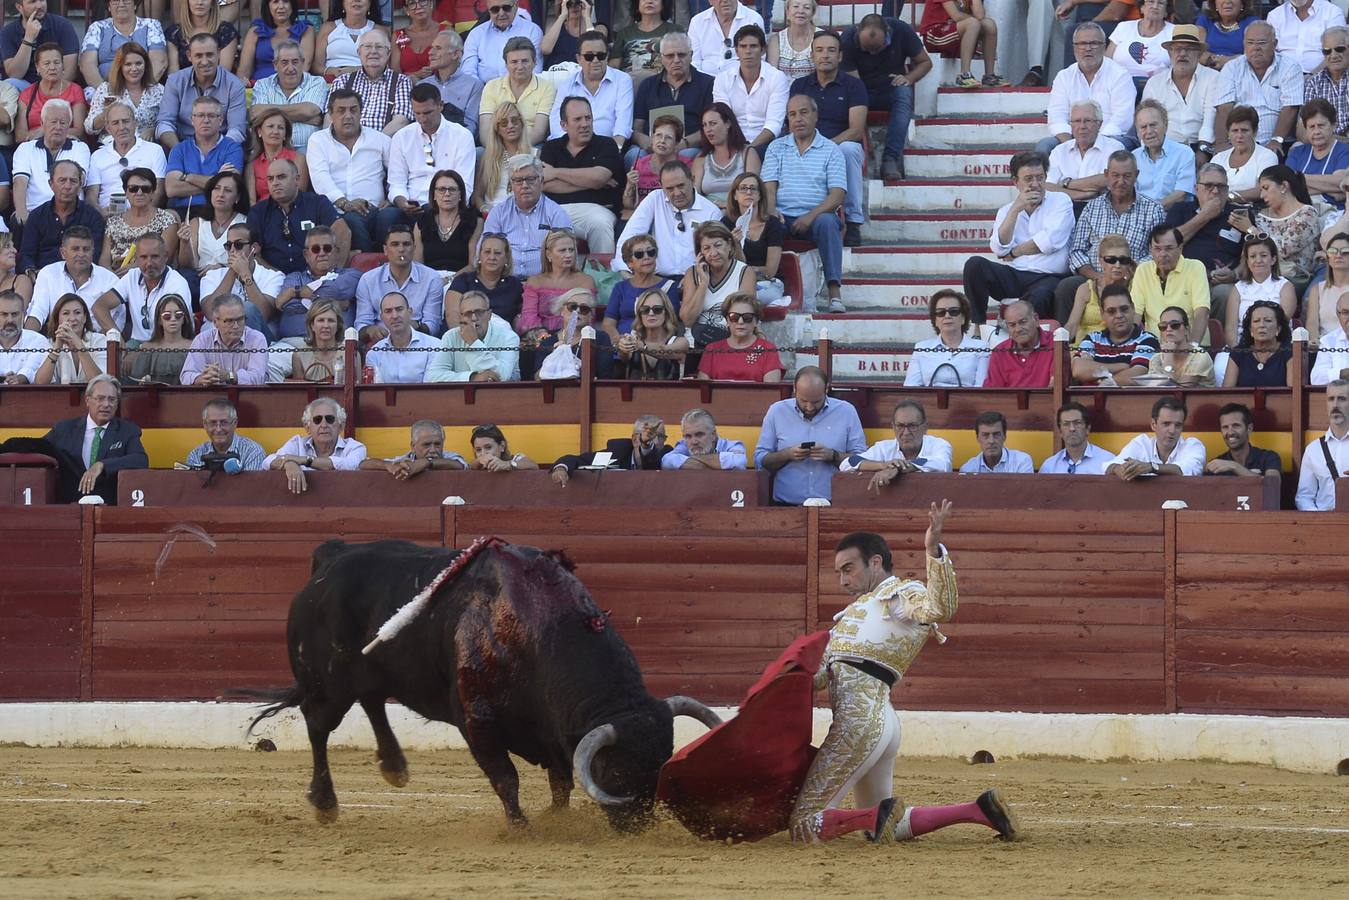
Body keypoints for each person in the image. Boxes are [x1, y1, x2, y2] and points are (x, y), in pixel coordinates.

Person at [788, 517, 1018, 846]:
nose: (842, 580)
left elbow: (942, 607)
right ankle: (978, 811)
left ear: (876, 562)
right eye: (839, 572)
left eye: (848, 569)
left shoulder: (901, 594)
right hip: (880, 723)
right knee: (881, 826)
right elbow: (823, 676)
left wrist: (932, 550)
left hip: (859, 724)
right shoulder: (858, 611)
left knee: (805, 822)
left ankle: (874, 814)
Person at [1056, 150, 1166, 324]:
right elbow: (1077, 250)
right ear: (1106, 174)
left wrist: (1132, 271)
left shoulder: (1153, 210)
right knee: (1067, 287)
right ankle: (1064, 344)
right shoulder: (1092, 208)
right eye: (1115, 175)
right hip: (1095, 277)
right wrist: (1095, 275)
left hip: (1134, 278)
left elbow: (1157, 251)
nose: (1120, 182)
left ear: (1136, 175)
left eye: (1127, 176)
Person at [762, 94, 848, 314]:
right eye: (792, 114)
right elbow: (769, 188)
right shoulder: (776, 148)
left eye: (803, 112)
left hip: (816, 217)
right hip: (782, 215)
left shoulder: (831, 150)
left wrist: (810, 216)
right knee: (767, 223)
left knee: (828, 222)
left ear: (815, 116)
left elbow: (837, 195)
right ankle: (770, 284)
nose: (798, 118)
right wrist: (772, 210)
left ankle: (834, 292)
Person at [964, 150, 1073, 322]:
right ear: (1015, 182)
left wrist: (1014, 253)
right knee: (974, 265)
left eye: (1040, 177)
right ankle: (978, 325)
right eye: (1028, 179)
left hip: (1047, 276)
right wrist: (1016, 209)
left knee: (1040, 295)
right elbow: (999, 248)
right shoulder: (1007, 210)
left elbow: (1050, 242)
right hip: (1014, 274)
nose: (1035, 184)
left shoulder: (1061, 200)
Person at [790, 31, 870, 246]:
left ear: (840, 56)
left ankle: (853, 221)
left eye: (831, 50)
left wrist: (824, 147)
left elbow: (856, 130)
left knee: (850, 149)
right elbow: (792, 123)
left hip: (839, 145)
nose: (825, 55)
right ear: (812, 56)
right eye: (820, 50)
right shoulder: (800, 86)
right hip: (804, 144)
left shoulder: (854, 86)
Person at [754, 366, 866, 505]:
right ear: (794, 388)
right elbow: (759, 461)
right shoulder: (777, 411)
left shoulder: (846, 411)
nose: (809, 407)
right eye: (803, 400)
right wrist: (787, 455)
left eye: (816, 401)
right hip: (786, 506)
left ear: (826, 389)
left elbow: (862, 460)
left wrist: (833, 456)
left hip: (834, 504)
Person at [305, 89, 395, 253]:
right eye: (341, 110)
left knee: (391, 216)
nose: (348, 115)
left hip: (376, 208)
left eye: (353, 110)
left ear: (361, 112)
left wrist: (392, 197)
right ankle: (366, 267)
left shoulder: (380, 140)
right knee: (352, 220)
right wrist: (344, 203)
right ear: (330, 113)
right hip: (336, 210)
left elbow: (397, 173)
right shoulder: (318, 141)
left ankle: (387, 265)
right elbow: (320, 178)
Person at [42, 374, 148, 503]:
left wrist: (102, 465)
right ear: (87, 400)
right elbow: (39, 448)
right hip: (69, 508)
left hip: (110, 507)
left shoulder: (127, 431)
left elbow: (140, 460)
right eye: (100, 398)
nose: (106, 404)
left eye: (112, 399)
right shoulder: (64, 429)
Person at [539, 96, 624, 256]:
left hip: (598, 209)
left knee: (599, 223)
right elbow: (544, 184)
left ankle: (603, 277)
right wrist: (591, 181)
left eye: (588, 118)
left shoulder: (606, 144)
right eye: (577, 119)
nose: (584, 124)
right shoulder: (551, 147)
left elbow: (599, 177)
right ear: (564, 125)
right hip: (556, 210)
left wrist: (556, 173)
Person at [1039, 23, 1136, 159]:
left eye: (1094, 43)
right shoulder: (1064, 77)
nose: (1088, 48)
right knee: (1044, 146)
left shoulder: (1120, 75)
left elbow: (1122, 120)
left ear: (1103, 47)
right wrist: (1073, 145)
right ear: (1074, 48)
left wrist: (1095, 145)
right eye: (1082, 44)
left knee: (1118, 147)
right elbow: (1056, 118)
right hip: (1073, 139)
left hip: (1111, 138)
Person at [388, 85, 478, 231]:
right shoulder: (402, 137)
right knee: (387, 217)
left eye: (428, 112)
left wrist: (441, 203)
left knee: (430, 215)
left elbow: (464, 185)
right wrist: (402, 202)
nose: (422, 119)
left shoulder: (462, 136)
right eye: (417, 113)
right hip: (411, 205)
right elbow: (396, 182)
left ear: (441, 106)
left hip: (446, 203)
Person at [616, 160, 720, 280]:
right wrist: (625, 270)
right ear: (661, 185)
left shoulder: (711, 211)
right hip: (656, 279)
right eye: (670, 189)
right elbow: (630, 235)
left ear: (692, 180)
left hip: (696, 279)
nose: (677, 193)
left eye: (681, 186)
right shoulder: (655, 199)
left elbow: (715, 254)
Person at [1212, 22, 1303, 155]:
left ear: (1275, 44)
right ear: (1244, 44)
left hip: (1276, 144)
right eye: (1250, 42)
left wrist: (1276, 140)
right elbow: (1223, 108)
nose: (1256, 48)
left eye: (1262, 43)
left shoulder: (1290, 67)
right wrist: (1221, 143)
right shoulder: (1232, 68)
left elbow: (1290, 108)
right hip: (1238, 143)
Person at [246, 158, 349, 275]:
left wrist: (332, 273)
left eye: (281, 177)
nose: (275, 182)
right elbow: (251, 253)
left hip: (316, 278)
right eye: (270, 179)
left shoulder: (317, 203)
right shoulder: (258, 212)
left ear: (297, 180)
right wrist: (276, 277)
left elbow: (342, 230)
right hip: (273, 281)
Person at [1165, 162, 1241, 318]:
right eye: (1208, 186)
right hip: (1185, 279)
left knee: (1225, 293)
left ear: (1227, 190)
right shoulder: (1180, 210)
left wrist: (1235, 274)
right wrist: (1204, 215)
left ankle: (1218, 340)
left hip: (1223, 282)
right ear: (1196, 188)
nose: (1215, 191)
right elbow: (1169, 244)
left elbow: (1251, 253)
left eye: (1221, 187)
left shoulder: (1239, 214)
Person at [1231, 164, 1319, 293]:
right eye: (1261, 190)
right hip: (1260, 273)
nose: (1261, 195)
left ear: (1283, 186)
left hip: (1292, 278)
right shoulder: (1260, 216)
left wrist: (1251, 230)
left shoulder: (1307, 213)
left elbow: (1282, 249)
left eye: (1266, 188)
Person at [483, 156, 573, 279]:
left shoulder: (556, 213)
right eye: (518, 180)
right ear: (511, 186)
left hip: (544, 283)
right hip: (504, 282)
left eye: (531, 179)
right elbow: (484, 251)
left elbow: (566, 257)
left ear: (541, 183)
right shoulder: (498, 213)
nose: (524, 185)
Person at [93, 233, 192, 343]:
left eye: (155, 256)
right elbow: (99, 306)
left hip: (170, 345)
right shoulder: (132, 276)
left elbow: (176, 331)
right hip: (137, 343)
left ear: (165, 257)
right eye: (143, 257)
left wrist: (146, 351)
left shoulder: (177, 283)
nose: (149, 263)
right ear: (136, 259)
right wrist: (117, 337)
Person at [839, 399, 954, 493]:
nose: (906, 432)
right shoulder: (884, 448)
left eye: (912, 426)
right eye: (900, 426)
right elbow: (848, 463)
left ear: (925, 427)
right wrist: (883, 465)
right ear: (893, 427)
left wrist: (898, 468)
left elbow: (941, 464)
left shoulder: (940, 445)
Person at [11, 102, 93, 233]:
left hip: (70, 213)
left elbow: (79, 180)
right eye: (53, 122)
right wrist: (21, 211)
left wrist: (62, 213)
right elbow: (20, 182)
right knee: (17, 222)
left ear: (69, 126)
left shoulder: (80, 147)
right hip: (34, 212)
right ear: (42, 124)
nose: (58, 127)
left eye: (63, 123)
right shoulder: (25, 148)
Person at [270, 226, 363, 339]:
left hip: (336, 343)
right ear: (306, 255)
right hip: (294, 343)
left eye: (327, 248)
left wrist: (296, 292)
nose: (322, 253)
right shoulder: (293, 279)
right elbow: (288, 309)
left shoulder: (352, 275)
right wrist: (334, 305)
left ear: (337, 252)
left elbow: (336, 289)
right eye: (315, 249)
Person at [633, 33, 715, 161]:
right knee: (633, 156)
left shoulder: (708, 84)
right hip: (653, 146)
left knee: (685, 156)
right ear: (661, 58)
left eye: (681, 55)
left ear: (691, 55)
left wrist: (685, 143)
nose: (676, 60)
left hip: (689, 147)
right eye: (670, 56)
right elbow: (637, 126)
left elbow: (712, 126)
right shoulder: (647, 85)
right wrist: (642, 139)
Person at [355, 224, 443, 341]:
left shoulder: (431, 278)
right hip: (380, 343)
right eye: (395, 244)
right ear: (385, 250)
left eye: (406, 244)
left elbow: (432, 326)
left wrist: (413, 326)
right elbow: (361, 325)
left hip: (419, 341)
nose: (401, 249)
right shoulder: (368, 280)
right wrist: (371, 330)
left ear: (414, 248)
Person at [157, 34, 247, 149]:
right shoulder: (175, 81)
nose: (205, 62)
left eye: (209, 55)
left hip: (222, 146)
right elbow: (164, 123)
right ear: (189, 56)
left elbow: (237, 130)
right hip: (183, 143)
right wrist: (179, 151)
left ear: (219, 54)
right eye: (198, 56)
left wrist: (217, 153)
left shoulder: (234, 85)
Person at [547, 30, 632, 150]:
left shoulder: (622, 80)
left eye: (601, 56)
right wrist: (569, 149)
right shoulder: (567, 84)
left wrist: (615, 149)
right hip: (571, 148)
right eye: (589, 56)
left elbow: (623, 123)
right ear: (578, 59)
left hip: (608, 148)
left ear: (607, 56)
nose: (595, 60)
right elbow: (557, 121)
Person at [17, 159, 105, 275]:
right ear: (51, 184)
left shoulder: (93, 217)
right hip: (41, 277)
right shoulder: (37, 216)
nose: (68, 186)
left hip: (79, 276)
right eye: (62, 180)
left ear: (80, 185)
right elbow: (26, 254)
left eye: (73, 181)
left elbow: (94, 255)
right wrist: (31, 273)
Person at [712, 24, 788, 155]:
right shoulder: (722, 79)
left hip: (768, 144)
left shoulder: (777, 78)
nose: (748, 51)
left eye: (753, 46)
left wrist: (750, 148)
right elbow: (723, 119)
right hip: (731, 143)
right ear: (736, 50)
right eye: (743, 46)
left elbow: (774, 124)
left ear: (763, 50)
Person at [1142, 25, 1220, 153]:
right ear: (1169, 52)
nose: (1182, 54)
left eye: (1189, 49)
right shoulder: (1154, 83)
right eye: (1178, 49)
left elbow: (1210, 117)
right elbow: (1146, 122)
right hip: (1163, 147)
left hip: (1200, 146)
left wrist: (1203, 149)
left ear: (1199, 53)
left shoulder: (1213, 77)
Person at [163, 95, 246, 215]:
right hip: (183, 210)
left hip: (219, 211)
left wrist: (188, 177)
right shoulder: (179, 149)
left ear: (221, 120)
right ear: (192, 119)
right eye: (201, 115)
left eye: (211, 116)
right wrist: (216, 180)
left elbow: (229, 186)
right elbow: (172, 189)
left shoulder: (232, 148)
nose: (206, 120)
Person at [679, 221, 755, 350]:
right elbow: (688, 320)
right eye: (706, 248)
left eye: (718, 245)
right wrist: (703, 284)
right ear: (700, 253)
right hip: (695, 343)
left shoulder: (744, 272)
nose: (713, 253)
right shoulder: (692, 273)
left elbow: (747, 317)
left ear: (730, 246)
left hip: (731, 344)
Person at [266, 398, 369, 493]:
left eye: (329, 419)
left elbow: (351, 465)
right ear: (308, 428)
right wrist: (289, 464)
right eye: (317, 420)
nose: (324, 425)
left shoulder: (355, 447)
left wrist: (304, 460)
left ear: (341, 426)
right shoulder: (297, 443)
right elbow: (267, 461)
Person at [1131, 224, 1210, 338]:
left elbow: (1201, 311)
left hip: (1190, 343)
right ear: (1150, 249)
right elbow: (1135, 313)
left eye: (1169, 248)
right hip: (1153, 347)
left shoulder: (1195, 267)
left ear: (1180, 248)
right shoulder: (1143, 270)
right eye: (1157, 249)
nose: (1162, 254)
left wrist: (1193, 347)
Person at [1071, 283, 1160, 385]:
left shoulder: (1148, 339)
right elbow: (1079, 370)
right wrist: (1123, 366)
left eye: (1124, 309)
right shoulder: (1092, 338)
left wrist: (1100, 378)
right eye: (1111, 311)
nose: (1119, 315)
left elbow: (1135, 376)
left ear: (1133, 308)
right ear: (1102, 314)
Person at [248, 46, 330, 156]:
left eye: (295, 62)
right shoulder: (263, 85)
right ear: (275, 65)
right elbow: (257, 114)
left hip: (308, 148)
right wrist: (305, 118)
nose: (290, 68)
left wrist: (270, 113)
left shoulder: (317, 82)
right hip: (271, 148)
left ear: (303, 63)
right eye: (284, 62)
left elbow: (309, 111)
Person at [426, 289, 521, 382]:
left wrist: (473, 342)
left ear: (489, 315)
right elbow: (433, 376)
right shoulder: (451, 336)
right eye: (468, 314)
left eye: (479, 312)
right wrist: (472, 378)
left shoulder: (509, 337)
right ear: (460, 317)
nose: (474, 318)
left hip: (502, 395)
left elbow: (502, 377)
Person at [331, 30, 413, 137]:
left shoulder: (401, 81)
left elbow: (401, 121)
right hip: (345, 145)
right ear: (359, 53)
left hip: (383, 146)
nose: (373, 51)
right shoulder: (343, 81)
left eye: (379, 47)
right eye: (368, 47)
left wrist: (373, 143)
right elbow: (331, 118)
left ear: (388, 53)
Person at [177, 170, 247, 293]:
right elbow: (187, 265)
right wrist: (184, 243)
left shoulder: (244, 222)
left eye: (228, 190)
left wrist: (221, 267)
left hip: (231, 278)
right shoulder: (197, 222)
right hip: (200, 279)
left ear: (238, 197)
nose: (220, 194)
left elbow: (249, 260)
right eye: (217, 189)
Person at [1046, 99, 1126, 206]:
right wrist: (1081, 195)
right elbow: (1048, 187)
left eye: (1088, 121)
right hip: (1065, 208)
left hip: (1102, 209)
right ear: (1071, 125)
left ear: (1099, 124)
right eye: (1077, 121)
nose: (1082, 126)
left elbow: (1110, 179)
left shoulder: (1115, 148)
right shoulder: (1059, 151)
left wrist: (1067, 183)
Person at [477, 37, 554, 146]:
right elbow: (485, 132)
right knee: (478, 154)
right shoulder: (491, 86)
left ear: (534, 62)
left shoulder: (546, 87)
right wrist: (502, 151)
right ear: (506, 64)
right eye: (514, 62)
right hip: (496, 148)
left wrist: (515, 151)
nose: (520, 67)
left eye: (525, 61)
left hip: (531, 146)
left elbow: (539, 132)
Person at [904, 289, 990, 387]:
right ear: (935, 320)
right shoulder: (921, 348)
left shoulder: (981, 347)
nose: (947, 316)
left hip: (968, 401)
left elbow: (981, 389)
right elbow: (911, 388)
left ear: (963, 318)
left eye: (954, 311)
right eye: (941, 312)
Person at [89, 103, 168, 210]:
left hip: (144, 215)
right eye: (115, 123)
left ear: (135, 123)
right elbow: (91, 196)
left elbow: (159, 190)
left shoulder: (154, 150)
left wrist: (138, 216)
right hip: (107, 217)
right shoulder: (97, 156)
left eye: (126, 121)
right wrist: (100, 215)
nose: (121, 127)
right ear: (108, 128)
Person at [550, 414, 670, 484]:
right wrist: (561, 468)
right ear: (634, 439)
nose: (656, 441)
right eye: (650, 436)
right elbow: (576, 459)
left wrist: (646, 445)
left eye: (660, 436)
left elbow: (649, 460)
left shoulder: (667, 454)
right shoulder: (617, 453)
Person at [100, 170, 179, 276]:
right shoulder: (113, 222)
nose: (139, 193)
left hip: (151, 276)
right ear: (126, 192)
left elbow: (164, 257)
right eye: (133, 189)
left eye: (145, 189)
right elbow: (104, 259)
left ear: (153, 192)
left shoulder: (167, 220)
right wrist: (111, 277)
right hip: (114, 278)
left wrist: (133, 269)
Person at [1106, 396, 1206, 479]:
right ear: (1153, 424)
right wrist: (1119, 469)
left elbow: (1189, 470)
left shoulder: (1193, 445)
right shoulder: (1141, 443)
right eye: (1166, 424)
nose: (1172, 430)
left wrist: (1151, 467)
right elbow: (1107, 466)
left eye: (1178, 425)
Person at [721, 172, 785, 300]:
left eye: (753, 188)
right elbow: (726, 268)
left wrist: (744, 272)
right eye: (743, 188)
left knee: (759, 297)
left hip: (765, 285)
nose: (748, 192)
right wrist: (737, 246)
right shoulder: (726, 224)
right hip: (735, 283)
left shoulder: (773, 224)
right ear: (735, 195)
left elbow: (770, 271)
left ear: (760, 195)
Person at [179, 294, 269, 385]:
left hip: (247, 397)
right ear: (215, 322)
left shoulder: (257, 339)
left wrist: (229, 376)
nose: (236, 326)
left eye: (240, 319)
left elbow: (258, 377)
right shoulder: (202, 340)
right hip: (211, 396)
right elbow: (186, 376)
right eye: (229, 321)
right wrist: (203, 378)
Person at [85, 44, 164, 146]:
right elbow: (89, 128)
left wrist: (154, 130)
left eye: (138, 63)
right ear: (120, 67)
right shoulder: (106, 89)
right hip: (110, 147)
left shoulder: (158, 90)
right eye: (128, 64)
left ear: (146, 65)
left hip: (147, 148)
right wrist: (106, 113)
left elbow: (167, 121)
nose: (134, 68)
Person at [696, 292, 783, 382]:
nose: (740, 321)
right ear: (727, 321)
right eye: (734, 317)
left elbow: (771, 391)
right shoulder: (712, 349)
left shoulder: (768, 349)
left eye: (747, 317)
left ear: (756, 322)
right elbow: (702, 388)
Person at [604, 234, 680, 336]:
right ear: (629, 262)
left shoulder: (669, 286)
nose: (646, 257)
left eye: (651, 252)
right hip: (623, 346)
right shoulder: (620, 288)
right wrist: (619, 342)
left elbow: (671, 324)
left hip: (655, 346)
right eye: (639, 254)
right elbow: (608, 324)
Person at [1227, 235, 1297, 344]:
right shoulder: (1238, 288)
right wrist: (1237, 352)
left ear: (1273, 259)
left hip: (1277, 346)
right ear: (1247, 261)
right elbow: (1231, 327)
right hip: (1242, 346)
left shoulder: (1285, 286)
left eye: (1263, 255)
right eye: (1253, 256)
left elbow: (1282, 323)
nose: (1258, 260)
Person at [919, 0, 1005, 89]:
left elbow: (980, 15)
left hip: (954, 33)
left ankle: (989, 75)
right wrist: (974, 22)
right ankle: (964, 74)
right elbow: (956, 16)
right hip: (935, 35)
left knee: (989, 24)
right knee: (973, 23)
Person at [691, 102, 760, 210]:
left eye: (713, 123)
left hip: (741, 212)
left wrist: (728, 206)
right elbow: (695, 195)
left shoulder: (747, 153)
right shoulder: (701, 158)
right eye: (705, 125)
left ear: (728, 123)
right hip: (710, 213)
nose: (708, 129)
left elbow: (753, 190)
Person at [360, 290, 439, 383]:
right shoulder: (374, 353)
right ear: (382, 318)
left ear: (410, 312)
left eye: (399, 309)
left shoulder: (434, 346)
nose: (394, 316)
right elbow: (376, 392)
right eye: (388, 311)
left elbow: (430, 389)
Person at [446, 232, 523, 326]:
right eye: (487, 252)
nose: (492, 257)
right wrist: (469, 339)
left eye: (498, 253)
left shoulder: (515, 285)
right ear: (479, 256)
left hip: (501, 338)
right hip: (463, 336)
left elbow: (522, 318)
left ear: (506, 258)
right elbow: (452, 316)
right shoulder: (463, 280)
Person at [16, 43, 87, 143]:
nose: (52, 67)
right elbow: (20, 136)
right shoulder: (27, 94)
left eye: (57, 62)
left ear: (63, 66)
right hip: (34, 145)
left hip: (66, 143)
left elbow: (79, 131)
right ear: (37, 68)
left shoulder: (75, 91)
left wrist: (45, 131)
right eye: (47, 63)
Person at [413, 169, 480, 274]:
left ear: (460, 194)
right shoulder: (422, 222)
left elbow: (473, 265)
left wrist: (449, 280)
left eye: (452, 189)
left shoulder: (474, 221)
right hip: (429, 281)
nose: (447, 194)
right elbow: (418, 265)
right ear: (434, 195)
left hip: (461, 281)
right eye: (441, 189)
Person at [1287, 101, 1349, 214]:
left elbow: (1341, 183)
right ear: (1306, 130)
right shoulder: (1296, 153)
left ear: (1333, 125)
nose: (1316, 132)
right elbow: (1287, 185)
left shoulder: (1345, 150)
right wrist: (1328, 187)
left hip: (1334, 214)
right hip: (1298, 214)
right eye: (1311, 127)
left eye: (1321, 125)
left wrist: (1298, 178)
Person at [418, 29, 482, 139]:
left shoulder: (474, 85)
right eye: (432, 48)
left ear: (456, 54)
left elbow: (471, 126)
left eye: (438, 48)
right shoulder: (422, 86)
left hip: (458, 145)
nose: (430, 52)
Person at [1295, 379, 1349, 509]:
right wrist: (1320, 521)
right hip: (1324, 524)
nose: (1335, 405)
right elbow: (1304, 497)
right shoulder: (1313, 450)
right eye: (1331, 399)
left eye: (1342, 399)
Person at [2, 0, 80, 89]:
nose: (39, 6)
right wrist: (28, 38)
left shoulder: (62, 25)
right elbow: (15, 74)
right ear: (19, 7)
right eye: (32, 2)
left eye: (42, 0)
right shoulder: (7, 32)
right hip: (25, 86)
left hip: (56, 87)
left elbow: (70, 72)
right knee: (9, 84)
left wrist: (46, 92)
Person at [475, 102, 535, 215]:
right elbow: (477, 196)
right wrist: (485, 209)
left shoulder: (535, 155)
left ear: (521, 124)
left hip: (525, 214)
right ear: (497, 129)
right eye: (504, 123)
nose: (510, 126)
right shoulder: (488, 158)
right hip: (493, 215)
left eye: (515, 121)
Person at [119, 293, 195, 384]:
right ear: (159, 320)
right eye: (167, 316)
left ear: (184, 318)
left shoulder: (195, 346)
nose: (173, 319)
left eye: (178, 315)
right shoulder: (147, 348)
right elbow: (138, 383)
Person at [1133, 101, 1197, 207]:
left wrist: (1152, 211)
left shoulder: (1184, 153)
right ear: (1138, 132)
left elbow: (1181, 194)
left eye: (1153, 125)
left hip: (1173, 216)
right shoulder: (1133, 158)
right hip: (1139, 218)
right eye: (1143, 127)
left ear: (1165, 125)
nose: (1149, 131)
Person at [462, 0, 542, 83]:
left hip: (522, 89)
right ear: (489, 10)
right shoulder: (476, 34)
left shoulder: (532, 30)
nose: (501, 13)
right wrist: (484, 92)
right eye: (495, 9)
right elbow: (468, 72)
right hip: (483, 91)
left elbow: (535, 69)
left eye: (506, 8)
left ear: (516, 6)